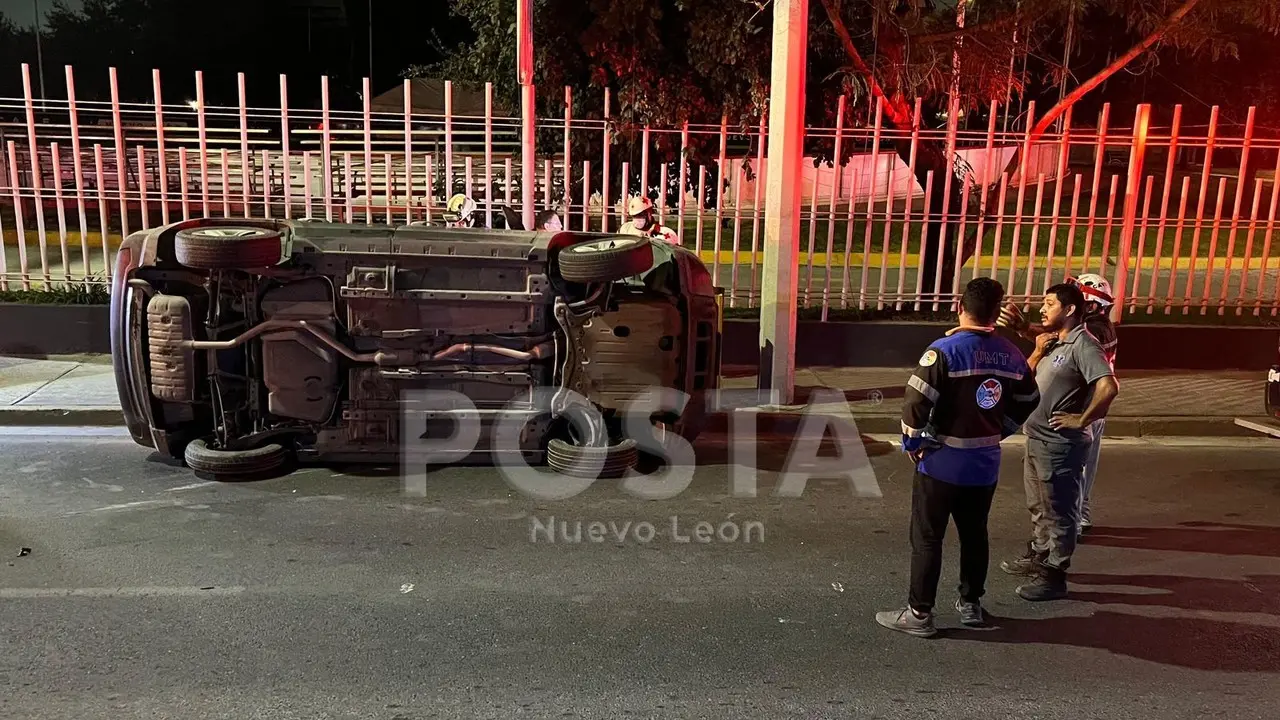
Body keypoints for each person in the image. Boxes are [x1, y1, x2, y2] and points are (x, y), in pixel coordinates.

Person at [875, 277, 1041, 638]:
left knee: (928, 537)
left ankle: (919, 614)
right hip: (984, 465)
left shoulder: (944, 351)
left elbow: (916, 401)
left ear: (960, 308)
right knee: (974, 533)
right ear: (996, 314)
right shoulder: (1012, 354)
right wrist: (1001, 430)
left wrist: (912, 442)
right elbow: (1030, 400)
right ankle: (971, 604)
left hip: (941, 463)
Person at [999, 283, 1119, 602]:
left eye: (1049, 303)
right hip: (1037, 439)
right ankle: (1039, 556)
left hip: (1060, 445)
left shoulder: (1084, 344)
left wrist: (1081, 419)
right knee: (1038, 505)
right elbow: (1036, 341)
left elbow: (1108, 387)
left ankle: (1055, 574)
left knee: (1059, 511)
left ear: (1068, 311)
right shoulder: (1059, 341)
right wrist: (1025, 329)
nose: (1042, 308)